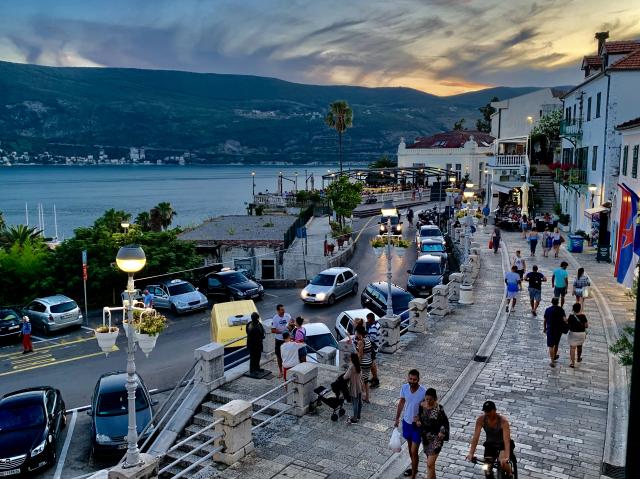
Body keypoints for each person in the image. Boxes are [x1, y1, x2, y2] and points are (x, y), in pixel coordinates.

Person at [466, 401, 516, 478]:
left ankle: (510, 474)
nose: (487, 413)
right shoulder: (481, 420)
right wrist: (471, 453)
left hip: (502, 444)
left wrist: (507, 457)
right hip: (490, 444)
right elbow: (476, 437)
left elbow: (506, 440)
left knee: (503, 462)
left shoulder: (503, 421)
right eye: (485, 411)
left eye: (489, 411)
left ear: (494, 410)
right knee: (486, 467)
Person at [395, 369, 427, 479]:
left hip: (417, 426)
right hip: (407, 422)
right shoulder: (404, 388)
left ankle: (413, 476)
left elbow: (427, 408)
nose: (412, 381)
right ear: (408, 378)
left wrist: (420, 418)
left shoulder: (423, 391)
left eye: (414, 379)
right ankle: (414, 468)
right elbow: (401, 402)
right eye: (410, 379)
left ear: (418, 379)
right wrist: (397, 418)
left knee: (414, 450)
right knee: (410, 449)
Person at [416, 388, 449, 479]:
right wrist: (418, 421)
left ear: (435, 399)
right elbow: (419, 417)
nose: (428, 401)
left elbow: (444, 423)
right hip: (426, 438)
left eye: (430, 399)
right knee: (431, 465)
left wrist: (442, 432)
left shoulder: (439, 409)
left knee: (429, 464)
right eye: (426, 399)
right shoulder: (421, 405)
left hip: (436, 439)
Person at [543, 297, 567, 368]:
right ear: (558, 302)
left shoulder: (548, 310)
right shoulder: (561, 310)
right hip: (558, 330)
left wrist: (544, 328)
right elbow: (565, 320)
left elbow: (545, 320)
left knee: (550, 345)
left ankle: (552, 361)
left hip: (550, 329)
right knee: (556, 344)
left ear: (551, 302)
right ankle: (554, 356)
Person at [271, 304, 293, 378]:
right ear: (278, 311)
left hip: (287, 340)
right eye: (281, 310)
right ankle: (281, 371)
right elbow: (273, 330)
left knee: (289, 355)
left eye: (284, 309)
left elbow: (292, 325)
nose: (283, 311)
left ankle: (290, 370)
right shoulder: (275, 318)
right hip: (279, 340)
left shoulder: (287, 316)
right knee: (279, 356)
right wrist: (281, 332)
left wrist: (290, 327)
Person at [343, 353, 363, 424]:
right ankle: (358, 416)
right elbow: (361, 375)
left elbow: (345, 377)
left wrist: (346, 370)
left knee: (355, 403)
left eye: (350, 357)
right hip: (359, 385)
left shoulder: (351, 367)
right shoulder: (359, 365)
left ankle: (354, 418)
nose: (350, 358)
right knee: (359, 402)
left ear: (352, 358)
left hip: (354, 387)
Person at [567, 303, 589, 367]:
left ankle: (572, 363)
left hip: (573, 334)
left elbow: (568, 324)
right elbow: (586, 326)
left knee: (572, 348)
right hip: (581, 334)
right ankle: (578, 358)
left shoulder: (571, 316)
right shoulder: (583, 316)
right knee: (580, 346)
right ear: (580, 309)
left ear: (573, 309)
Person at [355, 325, 373, 403]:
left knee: (360, 381)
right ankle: (367, 398)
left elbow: (360, 355)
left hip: (363, 364)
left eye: (356, 332)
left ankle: (360, 397)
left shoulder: (361, 342)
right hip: (369, 363)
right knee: (366, 380)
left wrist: (357, 365)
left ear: (358, 333)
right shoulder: (367, 340)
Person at [365, 312, 381, 388]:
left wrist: (365, 336)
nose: (367, 321)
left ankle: (376, 380)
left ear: (370, 319)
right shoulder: (377, 324)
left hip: (373, 348)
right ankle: (374, 377)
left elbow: (372, 339)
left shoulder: (373, 327)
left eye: (368, 319)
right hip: (375, 347)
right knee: (373, 364)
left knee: (372, 365)